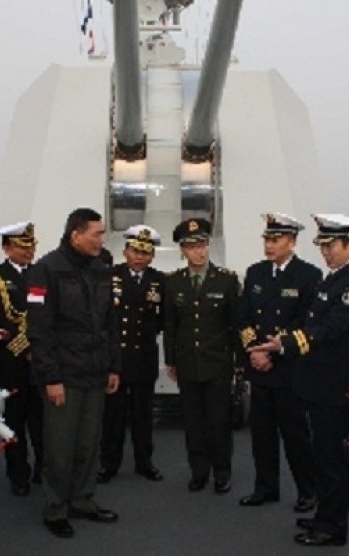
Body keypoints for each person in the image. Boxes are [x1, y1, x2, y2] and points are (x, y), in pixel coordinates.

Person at [249, 213, 349, 547]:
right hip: (317, 382)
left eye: (332, 245)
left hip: (333, 383)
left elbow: (331, 329)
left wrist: (284, 344)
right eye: (323, 245)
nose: (326, 252)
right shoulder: (334, 279)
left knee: (332, 458)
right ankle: (324, 516)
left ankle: (333, 527)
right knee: (322, 452)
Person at [26, 208, 121, 539]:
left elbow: (111, 323)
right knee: (60, 448)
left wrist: (113, 366)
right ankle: (56, 509)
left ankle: (82, 500)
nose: (101, 240)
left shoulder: (101, 269)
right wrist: (51, 378)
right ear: (75, 235)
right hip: (63, 378)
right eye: (96, 234)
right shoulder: (44, 270)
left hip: (95, 373)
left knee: (88, 446)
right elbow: (39, 330)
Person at [237, 213, 322, 513]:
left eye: (275, 240)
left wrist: (272, 352)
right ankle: (266, 488)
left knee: (296, 435)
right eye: (267, 239)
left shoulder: (309, 276)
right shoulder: (255, 273)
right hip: (259, 369)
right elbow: (244, 317)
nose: (269, 245)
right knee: (262, 435)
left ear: (292, 242)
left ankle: (307, 491)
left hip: (289, 370)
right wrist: (254, 351)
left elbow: (305, 323)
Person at [163, 218, 241, 495]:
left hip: (218, 363)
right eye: (192, 246)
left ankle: (222, 472)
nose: (199, 251)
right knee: (193, 422)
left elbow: (235, 325)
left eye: (203, 245)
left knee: (218, 422)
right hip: (187, 363)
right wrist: (170, 359)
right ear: (183, 250)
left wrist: (238, 362)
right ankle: (199, 471)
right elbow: (170, 325)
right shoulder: (173, 283)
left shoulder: (227, 280)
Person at [97, 225, 166, 484]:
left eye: (145, 253)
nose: (139, 257)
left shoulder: (160, 281)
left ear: (152, 256)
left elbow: (163, 320)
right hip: (115, 357)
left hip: (143, 357)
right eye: (135, 250)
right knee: (112, 416)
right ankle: (108, 463)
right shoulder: (109, 277)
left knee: (142, 415)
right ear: (125, 251)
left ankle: (144, 462)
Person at [0, 220, 44, 497]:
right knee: (14, 423)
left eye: (31, 246)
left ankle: (44, 469)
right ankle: (18, 475)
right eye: (22, 247)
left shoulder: (41, 275)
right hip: (10, 364)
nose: (28, 251)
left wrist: (39, 348)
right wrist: (26, 349)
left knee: (42, 423)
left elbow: (43, 314)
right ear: (7, 248)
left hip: (40, 363)